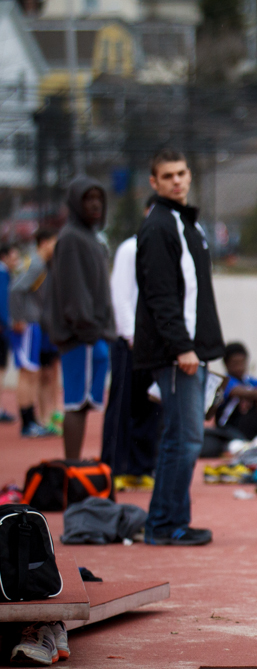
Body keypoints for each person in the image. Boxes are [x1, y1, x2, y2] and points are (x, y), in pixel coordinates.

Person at [136, 148, 224, 546]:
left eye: (182, 173)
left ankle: (174, 521)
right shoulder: (159, 226)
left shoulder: (186, 224)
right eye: (168, 175)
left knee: (184, 437)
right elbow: (159, 296)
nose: (177, 180)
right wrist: (182, 347)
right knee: (183, 438)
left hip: (193, 350)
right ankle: (163, 525)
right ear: (154, 183)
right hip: (177, 355)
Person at [46, 177, 116, 461]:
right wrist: (88, 331)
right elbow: (73, 292)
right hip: (83, 337)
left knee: (85, 404)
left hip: (94, 335)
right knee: (76, 403)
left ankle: (75, 467)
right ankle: (72, 469)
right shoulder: (72, 238)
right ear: (75, 203)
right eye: (88, 198)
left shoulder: (91, 237)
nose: (96, 203)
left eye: (99, 197)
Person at [102, 196, 162, 491]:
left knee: (150, 405)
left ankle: (142, 466)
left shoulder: (168, 250)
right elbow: (121, 295)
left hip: (156, 343)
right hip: (130, 343)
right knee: (122, 404)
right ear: (145, 213)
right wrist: (130, 336)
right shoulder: (130, 248)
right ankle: (113, 467)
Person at [10, 227, 61, 438]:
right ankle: (28, 421)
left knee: (37, 373)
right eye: (54, 242)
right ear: (44, 243)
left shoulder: (45, 264)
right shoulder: (36, 264)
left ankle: (36, 420)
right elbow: (15, 289)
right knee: (29, 373)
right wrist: (19, 318)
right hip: (29, 324)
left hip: (38, 324)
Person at [0, 244, 21, 423]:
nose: (17, 262)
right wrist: (7, 323)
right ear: (4, 257)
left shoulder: (6, 274)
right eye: (13, 258)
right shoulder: (2, 274)